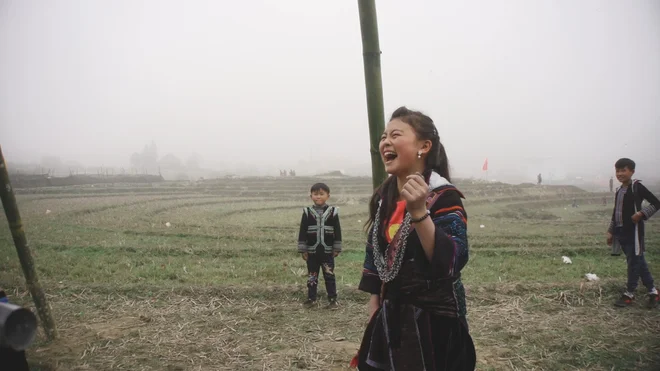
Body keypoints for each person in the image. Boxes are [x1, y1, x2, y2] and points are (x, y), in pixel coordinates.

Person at [355, 107, 475, 370]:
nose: (385, 142)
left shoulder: (444, 197)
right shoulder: (383, 197)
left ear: (424, 146)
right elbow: (375, 251)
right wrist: (375, 303)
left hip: (435, 325)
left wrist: (419, 212)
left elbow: (452, 261)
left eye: (395, 135)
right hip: (390, 318)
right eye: (384, 136)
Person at [607, 158, 660, 308]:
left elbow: (656, 203)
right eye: (617, 170)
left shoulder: (637, 187)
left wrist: (641, 213)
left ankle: (629, 293)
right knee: (638, 261)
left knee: (633, 263)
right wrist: (610, 231)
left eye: (623, 170)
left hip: (634, 233)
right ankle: (653, 292)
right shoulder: (619, 191)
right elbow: (615, 212)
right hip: (621, 232)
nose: (620, 173)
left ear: (632, 171)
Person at [297, 183, 342, 309]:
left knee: (329, 275)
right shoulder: (307, 212)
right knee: (312, 276)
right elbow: (302, 231)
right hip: (312, 252)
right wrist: (303, 249)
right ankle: (311, 299)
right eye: (315, 194)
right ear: (311, 196)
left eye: (321, 194)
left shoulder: (333, 212)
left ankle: (333, 300)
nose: (318, 197)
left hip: (327, 251)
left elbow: (337, 230)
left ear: (328, 196)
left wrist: (337, 247)